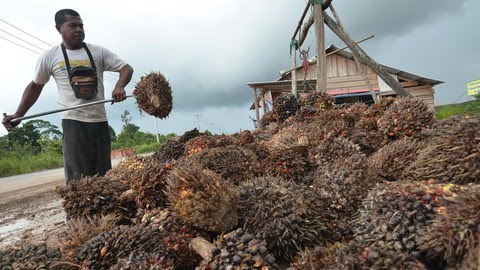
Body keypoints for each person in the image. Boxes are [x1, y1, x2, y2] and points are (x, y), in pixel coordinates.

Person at [2, 9, 134, 184]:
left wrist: (119, 86)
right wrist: (19, 114)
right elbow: (35, 86)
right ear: (59, 28)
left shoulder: (98, 52)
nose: (79, 29)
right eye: (73, 25)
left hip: (100, 122)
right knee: (78, 180)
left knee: (104, 178)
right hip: (74, 123)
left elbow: (126, 68)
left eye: (81, 25)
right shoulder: (50, 57)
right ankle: (76, 212)